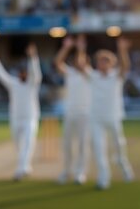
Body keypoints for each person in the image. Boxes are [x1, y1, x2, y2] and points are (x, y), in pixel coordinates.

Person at [0, 43, 42, 181]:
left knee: (28, 144)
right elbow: (1, 75)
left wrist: (33, 57)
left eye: (25, 73)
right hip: (16, 119)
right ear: (19, 74)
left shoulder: (32, 83)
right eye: (21, 73)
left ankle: (21, 169)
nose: (23, 74)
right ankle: (25, 165)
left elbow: (36, 72)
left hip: (30, 118)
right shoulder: (14, 83)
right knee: (18, 145)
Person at [87, 37, 134, 190]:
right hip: (96, 118)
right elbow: (80, 67)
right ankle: (103, 178)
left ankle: (124, 167)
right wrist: (80, 49)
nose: (102, 63)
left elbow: (125, 66)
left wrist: (122, 50)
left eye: (106, 60)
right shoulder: (93, 76)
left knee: (118, 145)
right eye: (100, 61)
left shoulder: (116, 76)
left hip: (113, 117)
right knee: (99, 148)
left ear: (111, 63)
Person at [54, 35, 91, 185]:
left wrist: (80, 49)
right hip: (70, 113)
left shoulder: (90, 74)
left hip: (85, 114)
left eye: (80, 60)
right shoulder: (70, 73)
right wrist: (67, 47)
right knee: (67, 144)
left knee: (83, 144)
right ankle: (66, 171)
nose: (78, 62)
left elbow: (82, 62)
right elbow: (57, 62)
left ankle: (80, 172)